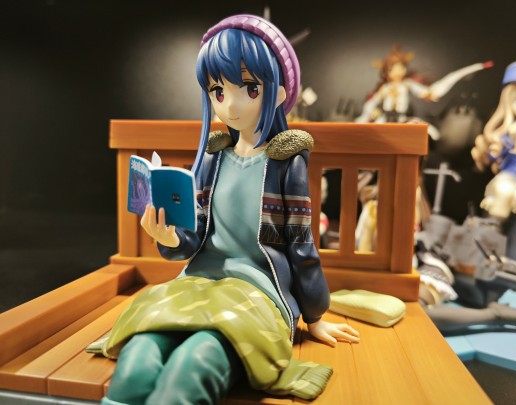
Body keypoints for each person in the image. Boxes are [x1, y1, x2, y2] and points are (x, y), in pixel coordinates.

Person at [99, 14, 359, 405]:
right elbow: (195, 234)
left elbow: (300, 244)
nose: (231, 104)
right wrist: (170, 237)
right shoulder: (213, 156)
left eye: (250, 88)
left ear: (279, 92)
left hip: (258, 292)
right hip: (197, 283)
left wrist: (315, 315)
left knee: (196, 361)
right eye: (218, 91)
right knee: (138, 358)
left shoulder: (286, 161)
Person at [471, 60, 516, 268]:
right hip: (510, 173)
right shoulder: (506, 130)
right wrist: (496, 150)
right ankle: (487, 256)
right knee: (501, 192)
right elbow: (493, 158)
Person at [355, 44, 492, 140]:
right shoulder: (385, 89)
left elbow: (426, 92)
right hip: (384, 121)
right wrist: (367, 116)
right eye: (393, 69)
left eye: (400, 67)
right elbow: (372, 103)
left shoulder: (407, 84)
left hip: (402, 120)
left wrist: (432, 92)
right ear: (386, 71)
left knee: (425, 132)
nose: (397, 71)